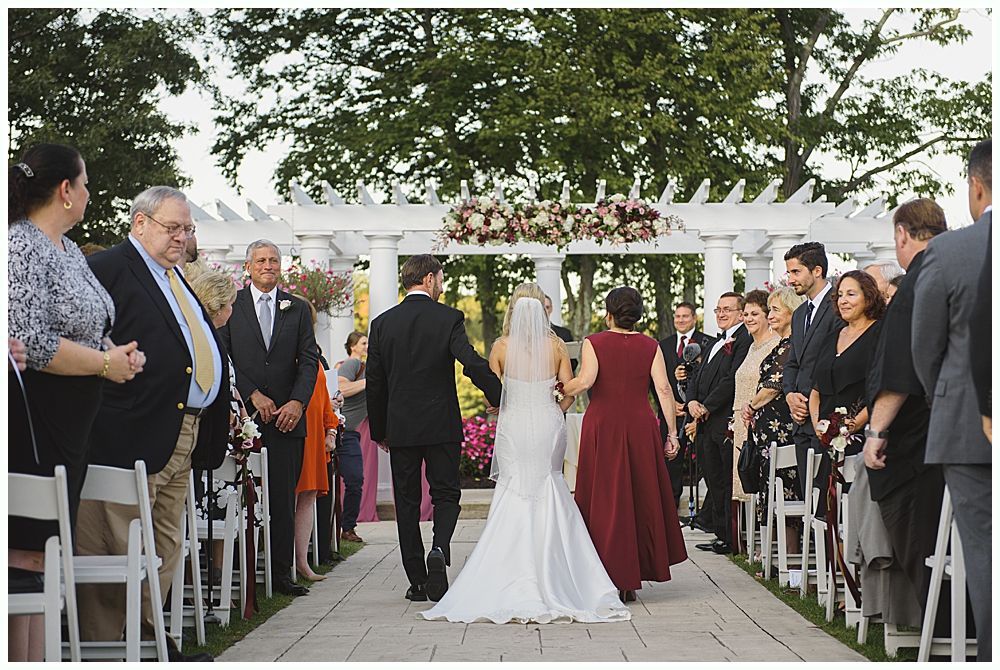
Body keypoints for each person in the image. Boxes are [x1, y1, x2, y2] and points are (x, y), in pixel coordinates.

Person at [77, 186, 229, 663]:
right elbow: (82, 341)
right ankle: (106, 651)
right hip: (127, 432)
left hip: (182, 432)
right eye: (173, 228)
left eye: (187, 229)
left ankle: (148, 645)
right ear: (140, 223)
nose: (182, 237)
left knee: (164, 546)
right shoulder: (108, 268)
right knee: (113, 546)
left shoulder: (175, 277)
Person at [419, 284, 631, 623]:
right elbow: (569, 392)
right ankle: (564, 574)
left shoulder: (501, 348)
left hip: (514, 423)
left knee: (513, 486)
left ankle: (505, 571)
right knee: (551, 482)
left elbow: (495, 394)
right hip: (548, 422)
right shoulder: (557, 347)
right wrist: (555, 408)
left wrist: (501, 407)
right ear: (543, 312)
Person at [7, 144, 141, 662]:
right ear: (66, 190)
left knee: (44, 557)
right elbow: (30, 339)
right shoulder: (21, 247)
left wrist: (116, 354)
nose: (88, 194)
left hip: (77, 419)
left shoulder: (66, 249)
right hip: (37, 419)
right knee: (26, 555)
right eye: (84, 184)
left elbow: (90, 329)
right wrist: (104, 365)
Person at [366, 254, 502, 603]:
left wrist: (380, 429)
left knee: (407, 501)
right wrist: (499, 393)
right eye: (440, 279)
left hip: (402, 428)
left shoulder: (382, 323)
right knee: (446, 493)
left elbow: (375, 382)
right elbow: (469, 361)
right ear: (428, 279)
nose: (442, 286)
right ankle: (439, 548)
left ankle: (417, 580)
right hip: (441, 423)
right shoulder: (448, 318)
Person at [912, 138, 992, 662]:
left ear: (976, 184)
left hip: (968, 425)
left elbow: (925, 345)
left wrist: (945, 391)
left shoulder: (951, 251)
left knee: (986, 552)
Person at [565, 286, 688, 601]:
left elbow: (586, 381)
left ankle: (604, 573)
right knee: (637, 496)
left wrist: (554, 388)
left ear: (609, 313)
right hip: (639, 426)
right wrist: (672, 433)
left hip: (603, 426)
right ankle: (629, 580)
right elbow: (662, 388)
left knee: (605, 498)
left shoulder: (594, 342)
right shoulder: (651, 345)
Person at [863, 198, 948, 629]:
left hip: (915, 446)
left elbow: (899, 370)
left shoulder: (917, 284)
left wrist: (875, 431)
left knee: (922, 544)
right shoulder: (957, 270)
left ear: (902, 235)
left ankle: (950, 628)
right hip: (950, 431)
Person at [219, 239, 320, 597]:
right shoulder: (233, 305)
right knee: (236, 496)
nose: (268, 265)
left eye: (273, 260)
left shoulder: (297, 308)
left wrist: (297, 403)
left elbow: (310, 360)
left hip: (288, 420)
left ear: (281, 266)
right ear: (248, 266)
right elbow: (224, 355)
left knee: (281, 498)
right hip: (243, 417)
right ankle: (234, 571)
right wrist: (251, 393)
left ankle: (281, 574)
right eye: (260, 260)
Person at [685, 292, 752, 554]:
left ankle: (729, 537)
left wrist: (706, 407)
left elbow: (731, 380)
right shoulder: (713, 342)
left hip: (722, 420)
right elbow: (697, 376)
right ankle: (720, 533)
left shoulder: (743, 340)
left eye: (728, 309)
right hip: (704, 421)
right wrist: (691, 401)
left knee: (725, 480)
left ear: (740, 312)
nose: (722, 314)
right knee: (712, 479)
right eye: (718, 309)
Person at [743, 287, 804, 554]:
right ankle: (773, 550)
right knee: (770, 486)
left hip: (782, 430)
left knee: (784, 486)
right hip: (767, 431)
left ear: (793, 311)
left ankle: (788, 557)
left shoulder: (792, 344)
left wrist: (751, 405)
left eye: (776, 309)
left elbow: (773, 385)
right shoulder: (781, 343)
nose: (771, 315)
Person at [782, 242, 841, 506]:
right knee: (809, 499)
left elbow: (836, 360)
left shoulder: (839, 307)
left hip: (827, 416)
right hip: (800, 421)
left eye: (795, 272)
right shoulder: (798, 314)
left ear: (817, 271)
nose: (790, 279)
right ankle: (814, 549)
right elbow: (792, 362)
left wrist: (811, 401)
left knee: (826, 503)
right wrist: (790, 396)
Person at [809, 271, 885, 462]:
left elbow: (883, 388)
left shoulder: (881, 333)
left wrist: (852, 426)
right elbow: (815, 391)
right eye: (840, 295)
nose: (843, 300)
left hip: (862, 439)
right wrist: (820, 426)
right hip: (825, 440)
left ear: (868, 298)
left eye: (851, 294)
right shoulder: (831, 337)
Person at [290, 296, 338, 581]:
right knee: (290, 497)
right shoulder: (287, 354)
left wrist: (330, 430)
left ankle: (302, 562)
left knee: (307, 497)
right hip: (294, 429)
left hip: (314, 435)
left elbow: (323, 400)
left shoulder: (313, 355)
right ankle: (287, 561)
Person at [730, 290, 780, 533]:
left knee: (759, 480)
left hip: (760, 420)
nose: (749, 318)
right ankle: (749, 538)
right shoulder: (751, 346)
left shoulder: (775, 344)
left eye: (755, 313)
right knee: (745, 480)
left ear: (767, 315)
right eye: (746, 314)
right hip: (741, 421)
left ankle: (764, 538)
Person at [657, 301, 714, 514]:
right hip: (671, 413)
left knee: (708, 462)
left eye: (685, 316)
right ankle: (670, 511)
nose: (681, 320)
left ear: (694, 318)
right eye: (677, 316)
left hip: (700, 414)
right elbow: (655, 382)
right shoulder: (662, 345)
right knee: (670, 463)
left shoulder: (708, 342)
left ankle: (708, 514)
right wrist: (670, 404)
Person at [337, 331, 369, 543]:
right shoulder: (352, 365)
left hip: (350, 434)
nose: (367, 346)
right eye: (363, 343)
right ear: (353, 346)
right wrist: (370, 382)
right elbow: (339, 388)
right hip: (338, 431)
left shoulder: (367, 367)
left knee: (355, 480)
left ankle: (347, 528)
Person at [543, 293, 577, 371]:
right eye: (542, 308)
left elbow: (574, 362)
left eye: (547, 307)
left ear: (551, 309)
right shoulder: (527, 336)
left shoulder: (565, 333)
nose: (545, 311)